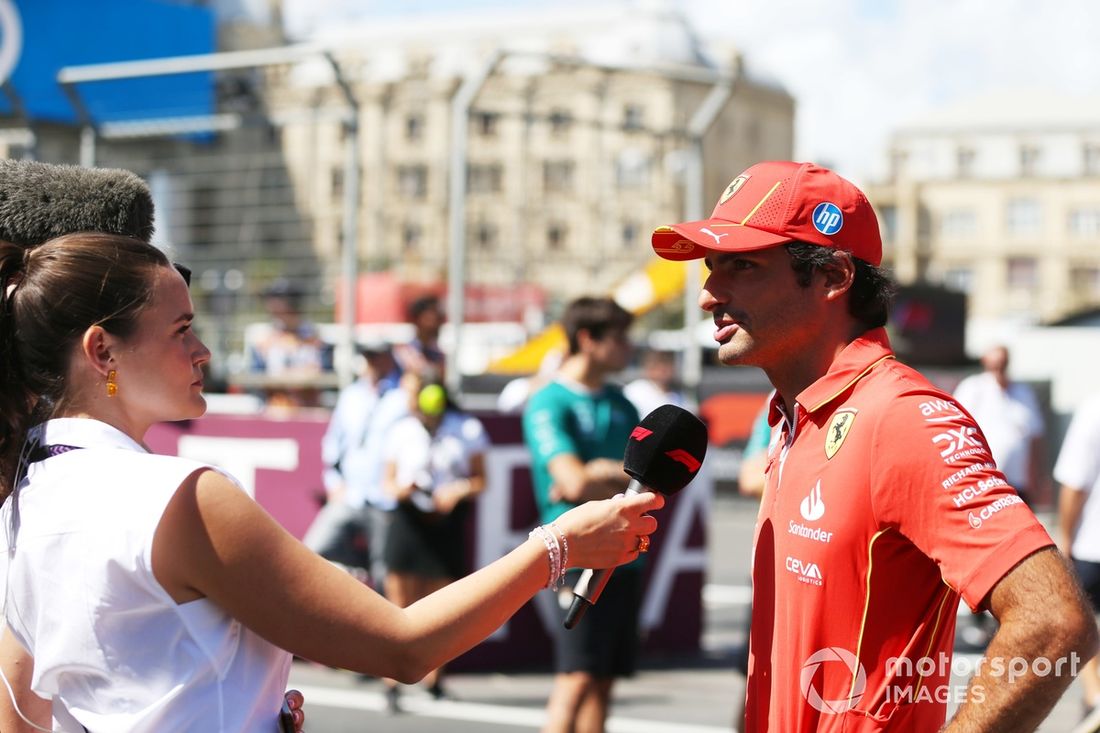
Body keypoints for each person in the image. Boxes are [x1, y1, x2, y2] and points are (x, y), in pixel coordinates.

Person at [0, 233, 664, 732]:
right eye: (181, 329)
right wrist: (557, 546)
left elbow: (28, 709)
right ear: (101, 350)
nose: (202, 351)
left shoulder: (22, 499)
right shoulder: (180, 496)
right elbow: (403, 646)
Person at [651, 160, 1096, 732]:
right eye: (713, 268)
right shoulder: (795, 414)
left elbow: (1056, 622)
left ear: (834, 278)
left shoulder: (901, 418)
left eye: (741, 266)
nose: (710, 294)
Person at [522, 296, 641, 733]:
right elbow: (571, 483)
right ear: (588, 339)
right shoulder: (549, 401)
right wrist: (614, 479)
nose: (630, 346)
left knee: (604, 680)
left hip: (626, 555)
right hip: (575, 558)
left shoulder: (622, 403)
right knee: (576, 677)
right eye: (620, 337)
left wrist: (598, 474)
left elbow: (647, 485)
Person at [379, 370, 488, 711]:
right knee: (398, 603)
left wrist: (457, 490)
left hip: (447, 522)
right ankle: (391, 684)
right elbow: (388, 482)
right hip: (409, 518)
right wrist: (405, 489)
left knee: (443, 603)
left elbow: (480, 480)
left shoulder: (467, 429)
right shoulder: (401, 430)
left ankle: (435, 680)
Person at [303, 339, 401, 583]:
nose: (372, 363)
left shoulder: (402, 395)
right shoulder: (352, 395)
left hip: (385, 500)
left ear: (389, 358)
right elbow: (334, 442)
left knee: (385, 573)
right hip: (349, 494)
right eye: (368, 357)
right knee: (310, 552)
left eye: (377, 356)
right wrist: (334, 482)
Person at [1055, 392, 1100, 731]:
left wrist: (1066, 539)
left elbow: (1074, 484)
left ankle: (1094, 697)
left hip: (1092, 544)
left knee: (1087, 628)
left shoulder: (1093, 407)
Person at [953, 344, 1046, 506]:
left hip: (1018, 482)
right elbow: (957, 428)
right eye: (995, 363)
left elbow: (1035, 436)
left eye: (1003, 363)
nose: (999, 368)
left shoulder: (1023, 392)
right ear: (985, 362)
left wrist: (1036, 478)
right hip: (983, 481)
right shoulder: (972, 388)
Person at [246, 277, 334, 408]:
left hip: (307, 407)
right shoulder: (264, 342)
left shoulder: (316, 342)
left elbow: (324, 377)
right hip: (275, 407)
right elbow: (256, 378)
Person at [623, 348, 687, 418]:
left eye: (669, 365)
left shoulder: (678, 395)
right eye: (661, 366)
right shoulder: (635, 390)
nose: (666, 371)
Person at [394, 293, 447, 374]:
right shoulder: (404, 352)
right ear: (418, 318)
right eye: (434, 313)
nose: (439, 320)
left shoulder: (438, 354)